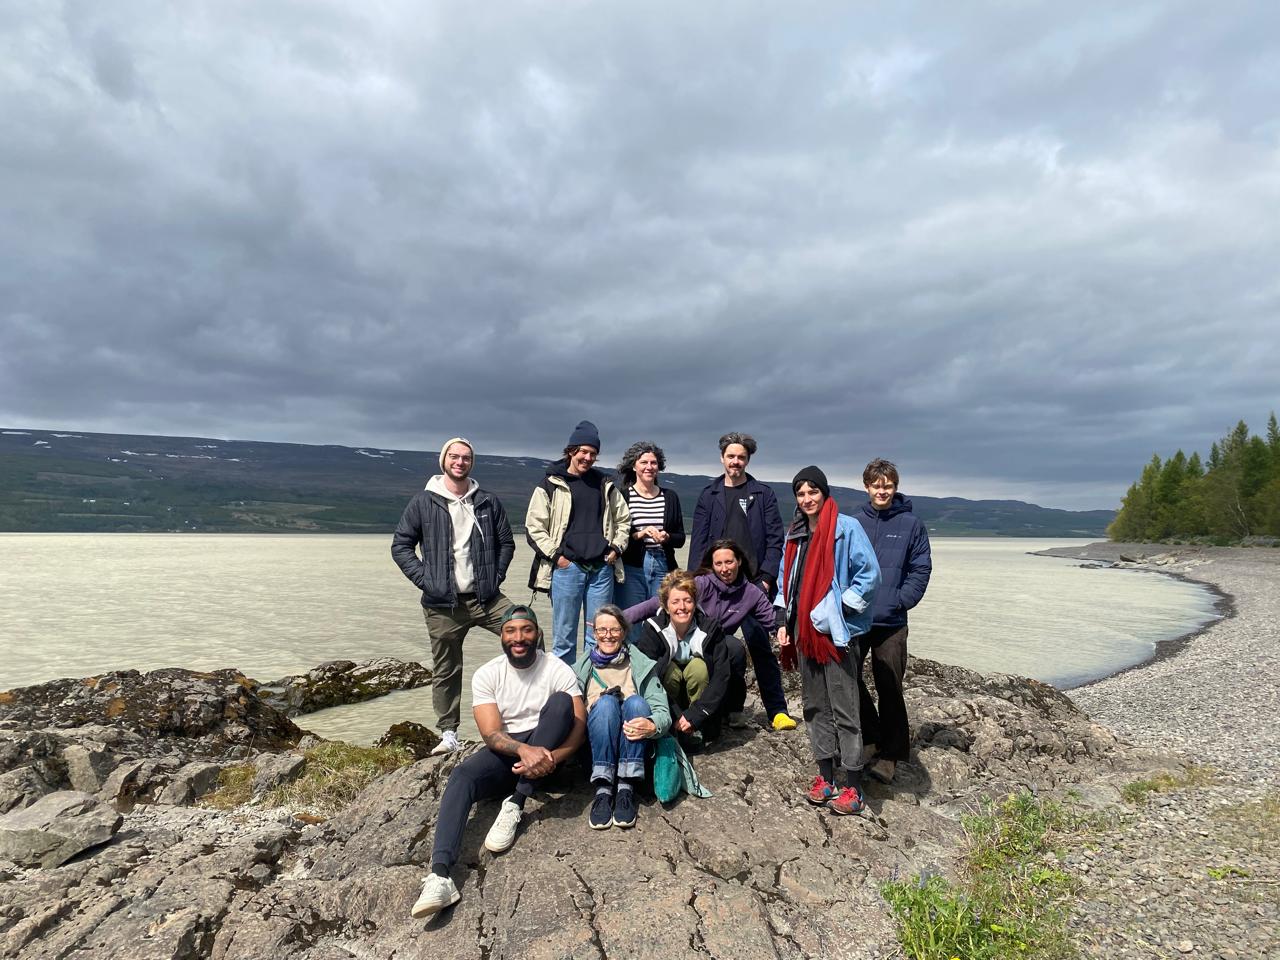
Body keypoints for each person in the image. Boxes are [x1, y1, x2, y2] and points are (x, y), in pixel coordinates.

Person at [411, 605, 586, 918]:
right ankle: (440, 876)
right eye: (510, 631)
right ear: (502, 636)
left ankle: (516, 802)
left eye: (526, 630)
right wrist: (524, 751)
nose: (519, 638)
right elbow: (491, 734)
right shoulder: (488, 674)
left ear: (537, 634)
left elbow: (579, 726)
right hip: (511, 754)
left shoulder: (557, 668)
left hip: (550, 755)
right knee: (463, 775)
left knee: (561, 704)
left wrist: (549, 758)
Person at [391, 437, 515, 755]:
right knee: (447, 668)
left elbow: (507, 542)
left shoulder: (486, 501)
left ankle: (520, 717)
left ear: (471, 463)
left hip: (485, 598)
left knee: (528, 636)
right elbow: (401, 545)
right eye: (454, 456)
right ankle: (449, 734)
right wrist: (427, 581)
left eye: (466, 458)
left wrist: (496, 576)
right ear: (444, 460)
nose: (460, 462)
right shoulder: (424, 501)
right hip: (442, 603)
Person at [775, 466, 881, 816]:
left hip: (836, 635)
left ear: (824, 493)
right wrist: (783, 620)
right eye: (801, 494)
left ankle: (853, 784)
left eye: (813, 492)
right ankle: (825, 777)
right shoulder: (795, 534)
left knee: (845, 708)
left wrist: (838, 609)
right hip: (804, 634)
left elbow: (870, 575)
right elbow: (784, 580)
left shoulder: (846, 529)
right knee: (814, 705)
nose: (807, 499)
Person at [687, 432, 794, 730]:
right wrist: (695, 583)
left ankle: (777, 712)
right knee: (718, 648)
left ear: (748, 460)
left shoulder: (763, 494)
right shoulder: (709, 495)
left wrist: (766, 580)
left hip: (753, 586)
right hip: (716, 587)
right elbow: (698, 544)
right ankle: (729, 708)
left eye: (741, 457)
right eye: (731, 456)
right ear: (722, 458)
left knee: (761, 647)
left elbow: (775, 540)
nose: (736, 461)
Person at [624, 539, 775, 728]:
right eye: (718, 563)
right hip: (686, 642)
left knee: (733, 648)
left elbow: (771, 619)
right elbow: (655, 604)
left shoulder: (750, 593)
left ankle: (730, 710)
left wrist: (786, 628)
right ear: (712, 565)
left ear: (739, 562)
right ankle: (671, 715)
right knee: (668, 667)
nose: (724, 568)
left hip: (713, 646)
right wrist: (619, 619)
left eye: (729, 562)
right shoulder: (700, 585)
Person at [525, 421, 630, 665]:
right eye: (583, 451)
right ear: (571, 450)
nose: (588, 457)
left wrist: (615, 549)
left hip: (601, 568)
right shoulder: (551, 483)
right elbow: (534, 527)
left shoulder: (605, 484)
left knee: (599, 636)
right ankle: (566, 695)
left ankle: (593, 692)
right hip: (567, 569)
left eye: (593, 453)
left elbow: (624, 520)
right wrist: (558, 558)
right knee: (564, 638)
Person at [854, 459, 932, 785]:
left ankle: (891, 756)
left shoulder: (911, 524)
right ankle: (871, 736)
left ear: (895, 487)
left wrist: (901, 600)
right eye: (876, 484)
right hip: (857, 618)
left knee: (890, 686)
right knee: (846, 677)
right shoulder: (854, 522)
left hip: (892, 621)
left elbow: (921, 568)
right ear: (867, 487)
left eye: (887, 485)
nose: (882, 490)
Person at [573, 605, 670, 829]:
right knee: (606, 703)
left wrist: (652, 725)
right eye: (602, 630)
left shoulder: (641, 664)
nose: (608, 636)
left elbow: (662, 711)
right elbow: (570, 710)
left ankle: (626, 786)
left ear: (624, 632)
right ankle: (603, 789)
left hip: (634, 747)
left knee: (636, 702)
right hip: (596, 747)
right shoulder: (581, 668)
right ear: (594, 633)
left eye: (615, 630)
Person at [632, 570, 743, 745]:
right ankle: (672, 727)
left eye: (687, 601)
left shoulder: (711, 628)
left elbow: (722, 675)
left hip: (700, 702)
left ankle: (696, 729)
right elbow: (649, 678)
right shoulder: (652, 629)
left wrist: (696, 715)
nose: (682, 607)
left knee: (698, 668)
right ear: (666, 606)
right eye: (675, 602)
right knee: (668, 671)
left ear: (695, 602)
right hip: (669, 700)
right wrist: (677, 715)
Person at [614, 442, 685, 610]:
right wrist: (641, 534)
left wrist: (666, 537)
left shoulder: (670, 497)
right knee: (631, 618)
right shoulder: (623, 496)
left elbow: (680, 538)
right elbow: (617, 535)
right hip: (632, 567)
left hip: (663, 565)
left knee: (660, 617)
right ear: (633, 466)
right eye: (644, 462)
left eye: (653, 463)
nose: (649, 467)